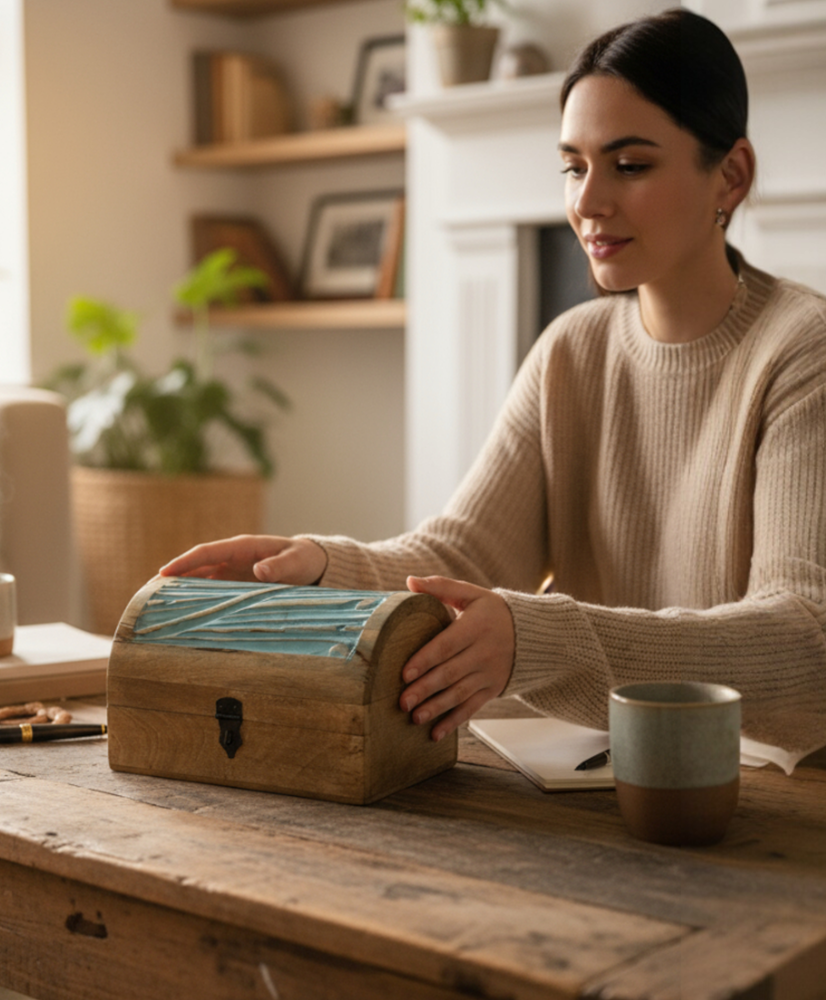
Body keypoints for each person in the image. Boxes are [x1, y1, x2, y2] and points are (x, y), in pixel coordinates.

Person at [161, 9, 826, 766]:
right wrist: (318, 568)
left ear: (731, 175)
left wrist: (544, 636)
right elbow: (465, 552)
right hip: (607, 771)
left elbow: (806, 636)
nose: (587, 201)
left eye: (630, 165)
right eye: (574, 166)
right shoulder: (572, 350)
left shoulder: (804, 350)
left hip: (772, 789)